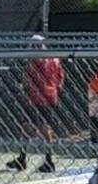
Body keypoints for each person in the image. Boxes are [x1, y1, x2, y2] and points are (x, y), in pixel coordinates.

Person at [8, 41, 64, 173]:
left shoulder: (33, 61)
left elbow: (27, 80)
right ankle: (30, 158)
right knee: (36, 127)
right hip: (50, 95)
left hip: (36, 98)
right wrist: (54, 88)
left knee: (34, 127)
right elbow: (61, 77)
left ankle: (40, 159)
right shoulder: (55, 60)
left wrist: (25, 86)